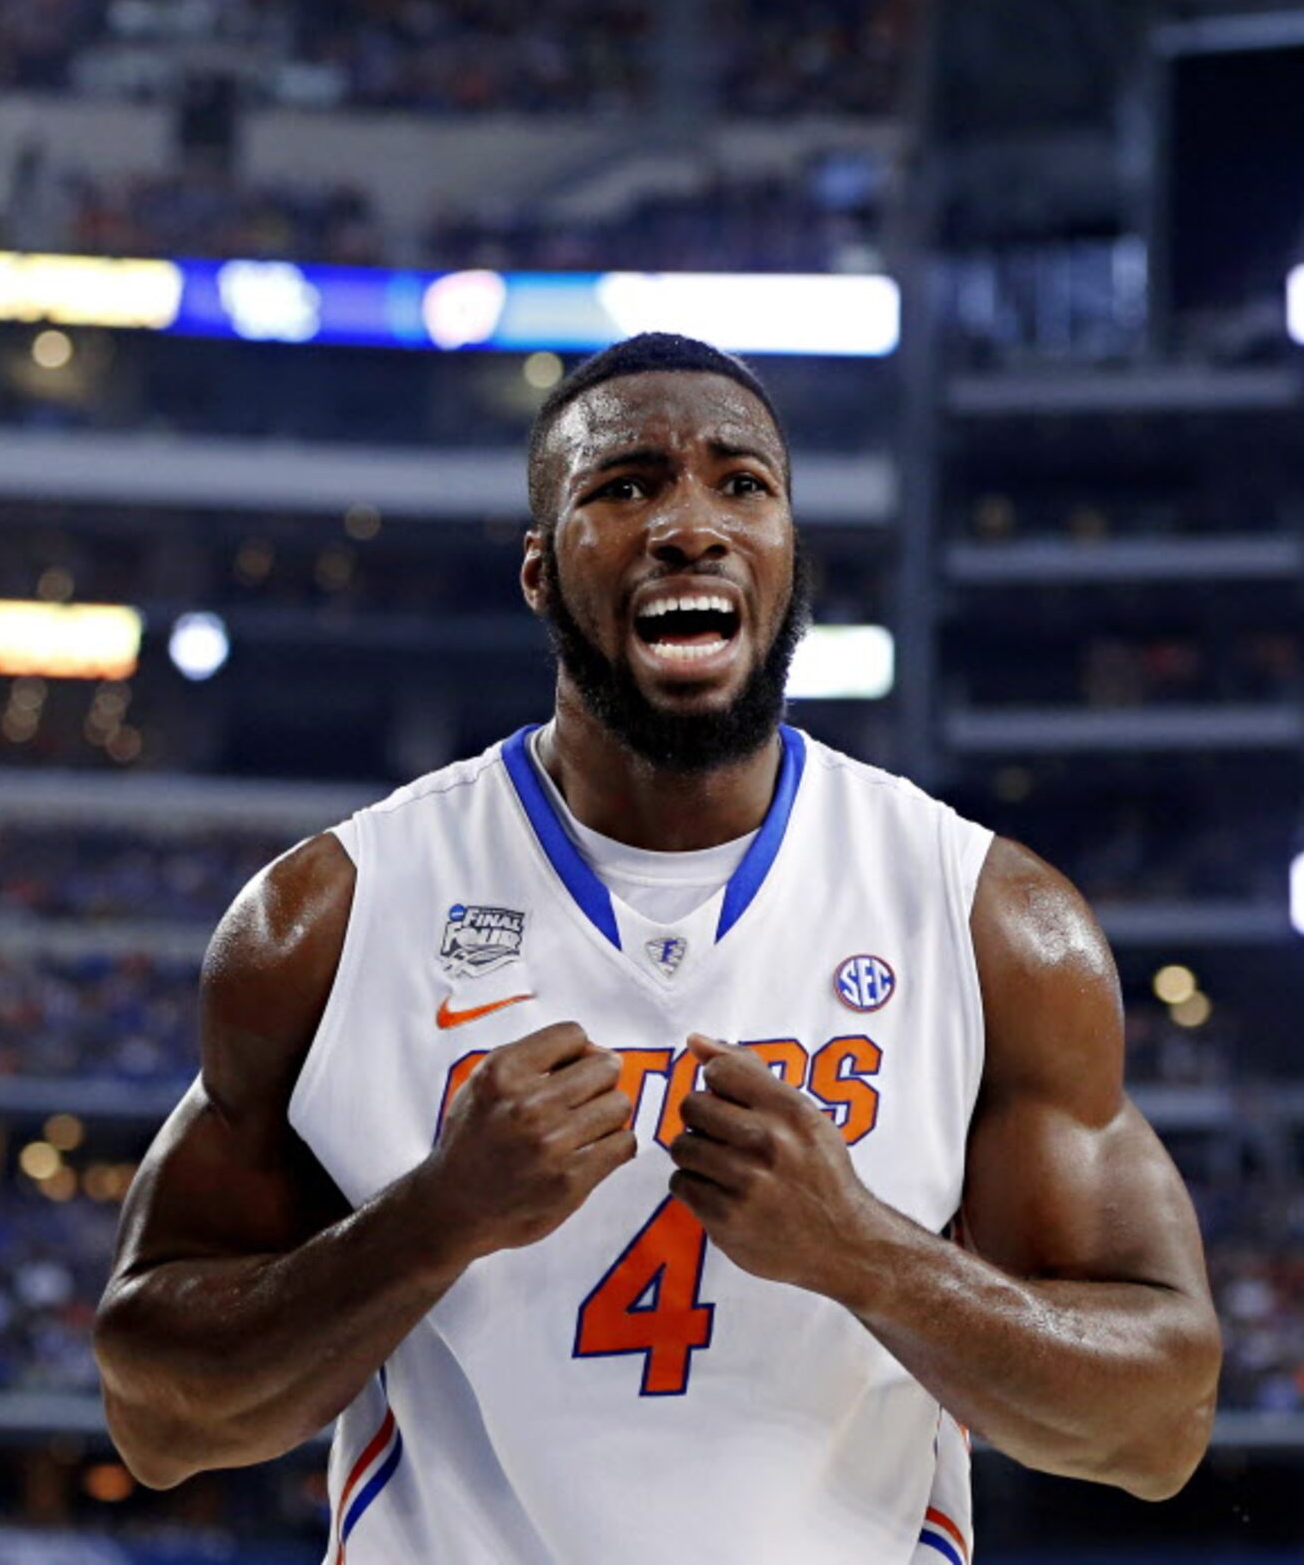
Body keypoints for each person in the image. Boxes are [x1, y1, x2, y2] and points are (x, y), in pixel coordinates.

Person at [93, 333, 1220, 1563]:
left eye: (742, 483)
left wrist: (867, 1255)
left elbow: (1158, 1427)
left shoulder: (990, 919)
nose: (690, 523)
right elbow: (159, 1419)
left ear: (791, 557)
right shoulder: (330, 917)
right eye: (624, 485)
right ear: (539, 570)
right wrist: (436, 1219)